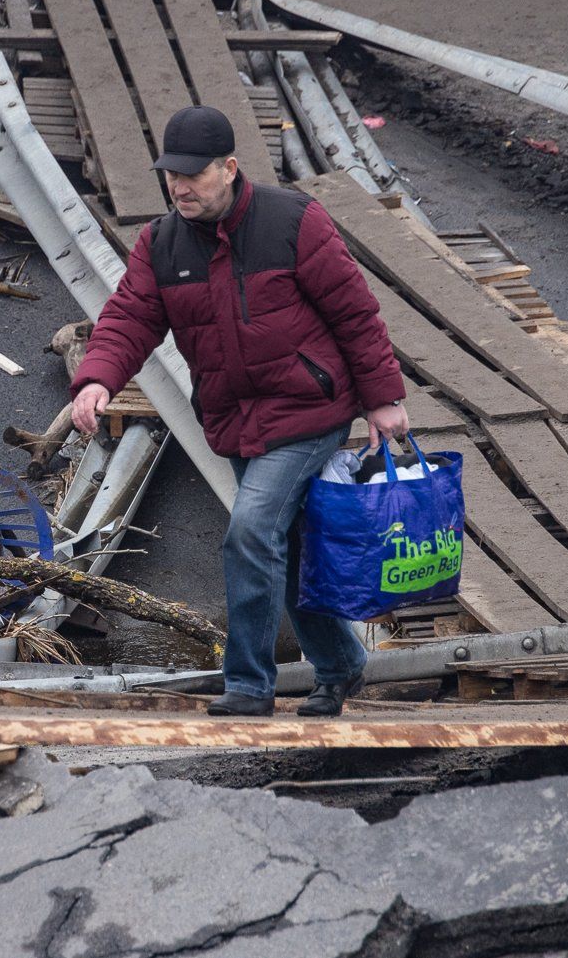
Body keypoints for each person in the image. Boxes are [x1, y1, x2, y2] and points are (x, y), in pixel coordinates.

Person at [68, 105, 409, 718]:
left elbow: (356, 314)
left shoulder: (294, 222)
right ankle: (339, 665)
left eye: (193, 174)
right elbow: (128, 319)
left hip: (310, 409)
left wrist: (383, 399)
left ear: (229, 168)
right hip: (236, 421)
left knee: (251, 531)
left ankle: (249, 684)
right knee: (289, 543)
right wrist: (96, 381)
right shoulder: (161, 243)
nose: (179, 187)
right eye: (171, 175)